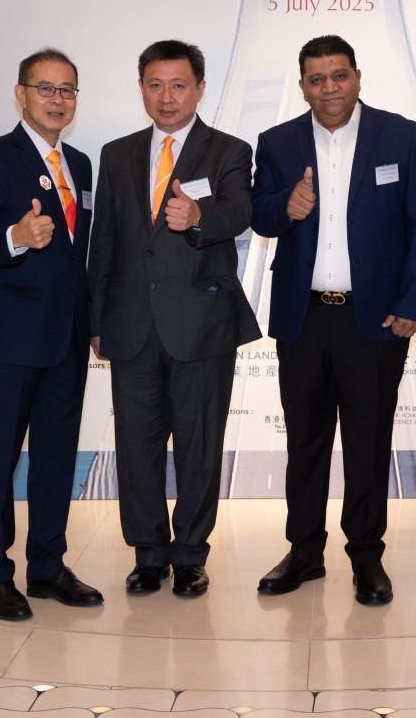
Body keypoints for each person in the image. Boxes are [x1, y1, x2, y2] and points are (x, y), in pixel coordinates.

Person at [249, 35, 416, 605]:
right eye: (316, 79)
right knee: (305, 441)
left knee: (367, 442)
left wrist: (414, 303)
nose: (329, 88)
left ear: (357, 77)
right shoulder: (277, 142)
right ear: (303, 86)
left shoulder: (399, 135)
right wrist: (285, 206)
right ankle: (304, 551)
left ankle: (366, 556)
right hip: (303, 317)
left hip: (375, 319)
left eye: (339, 76)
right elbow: (259, 214)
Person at [88, 39, 260, 597]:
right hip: (131, 324)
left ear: (200, 89)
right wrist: (96, 318)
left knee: (198, 445)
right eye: (155, 85)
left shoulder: (228, 150)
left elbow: (240, 212)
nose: (167, 97)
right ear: (141, 88)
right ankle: (148, 553)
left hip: (202, 324)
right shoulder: (116, 154)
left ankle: (189, 554)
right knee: (136, 446)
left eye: (179, 85)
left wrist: (199, 215)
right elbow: (104, 241)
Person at [0, 47, 103, 620]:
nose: (57, 100)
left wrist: (94, 324)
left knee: (55, 459)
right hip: (8, 341)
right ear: (21, 94)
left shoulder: (81, 165)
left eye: (67, 90)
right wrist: (15, 236)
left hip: (66, 340)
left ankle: (47, 567)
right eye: (46, 88)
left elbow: (79, 256)